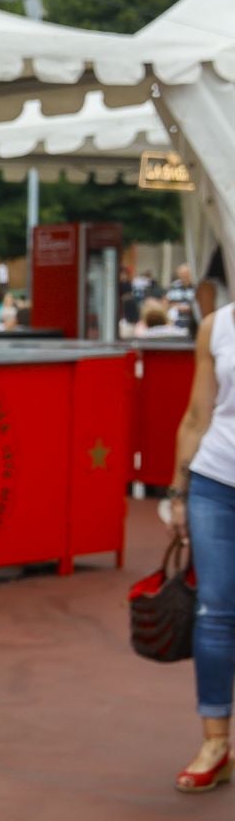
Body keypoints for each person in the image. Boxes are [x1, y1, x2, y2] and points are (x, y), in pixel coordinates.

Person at [164, 293, 235, 792]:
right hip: (215, 481)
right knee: (214, 612)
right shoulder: (217, 326)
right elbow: (196, 414)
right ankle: (216, 740)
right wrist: (178, 492)